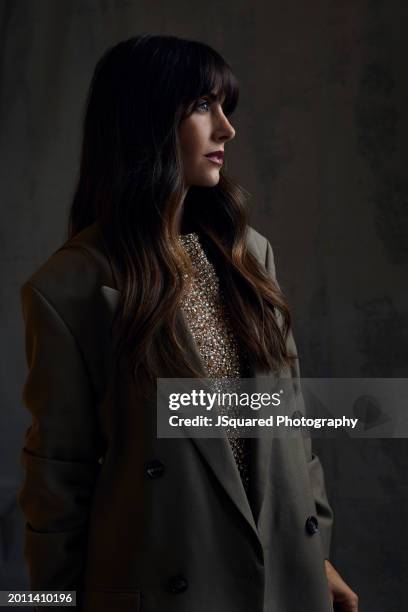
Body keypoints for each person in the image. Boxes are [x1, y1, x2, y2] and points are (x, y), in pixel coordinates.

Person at [18, 34, 358, 612]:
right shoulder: (68, 287)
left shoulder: (249, 254)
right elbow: (58, 478)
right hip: (166, 586)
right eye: (204, 106)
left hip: (284, 577)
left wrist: (316, 552)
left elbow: (290, 424)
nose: (226, 128)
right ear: (145, 120)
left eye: (225, 107)